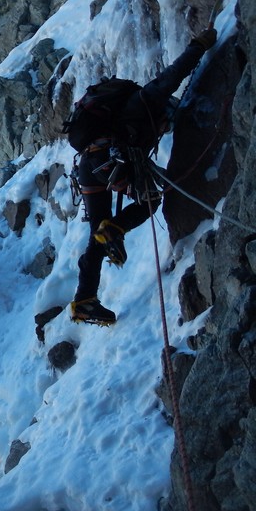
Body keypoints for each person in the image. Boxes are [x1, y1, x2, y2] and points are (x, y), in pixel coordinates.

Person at [70, 27, 218, 325]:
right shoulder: (146, 100)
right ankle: (114, 230)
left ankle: (84, 300)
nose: (164, 128)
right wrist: (199, 46)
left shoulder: (132, 116)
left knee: (97, 230)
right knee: (149, 200)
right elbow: (172, 76)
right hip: (110, 158)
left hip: (89, 166)